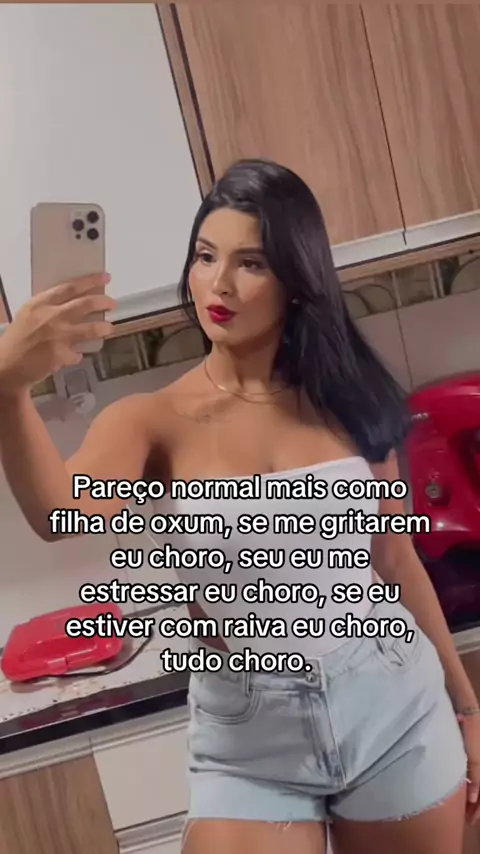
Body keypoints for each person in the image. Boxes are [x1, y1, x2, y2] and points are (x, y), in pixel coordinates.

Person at [0, 158, 478, 854]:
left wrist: (467, 705)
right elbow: (56, 514)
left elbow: (395, 561)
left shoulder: (347, 401)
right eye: (204, 256)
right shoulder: (150, 420)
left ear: (296, 279)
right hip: (251, 736)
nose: (218, 283)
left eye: (250, 262)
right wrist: (9, 386)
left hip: (393, 703)